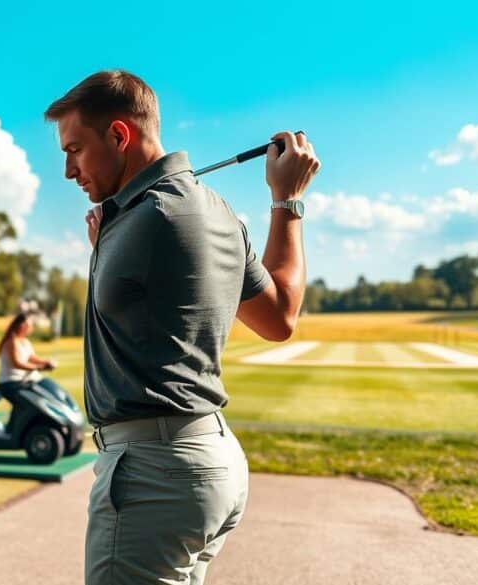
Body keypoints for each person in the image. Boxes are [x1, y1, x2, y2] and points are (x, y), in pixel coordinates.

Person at [44, 70, 319, 584]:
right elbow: (279, 317)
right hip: (211, 462)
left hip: (154, 472)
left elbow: (275, 320)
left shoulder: (148, 220)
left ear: (120, 135)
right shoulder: (214, 209)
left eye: (75, 149)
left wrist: (109, 241)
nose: (68, 170)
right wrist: (286, 202)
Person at [0, 312, 54, 404]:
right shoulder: (11, 342)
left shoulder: (25, 341)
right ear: (21, 326)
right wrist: (39, 368)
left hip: (22, 381)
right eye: (28, 325)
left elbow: (31, 358)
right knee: (30, 403)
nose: (31, 328)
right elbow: (17, 363)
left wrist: (46, 363)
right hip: (10, 383)